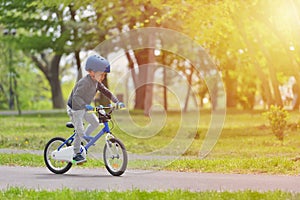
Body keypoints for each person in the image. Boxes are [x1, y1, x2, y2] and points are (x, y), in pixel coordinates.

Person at [67, 55, 124, 164]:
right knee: (80, 130)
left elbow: (107, 92)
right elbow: (76, 97)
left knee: (95, 122)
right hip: (75, 107)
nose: (103, 77)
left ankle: (83, 141)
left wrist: (116, 102)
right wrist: (84, 105)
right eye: (101, 74)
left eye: (104, 75)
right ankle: (76, 153)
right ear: (92, 72)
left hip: (84, 107)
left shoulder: (97, 83)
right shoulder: (85, 82)